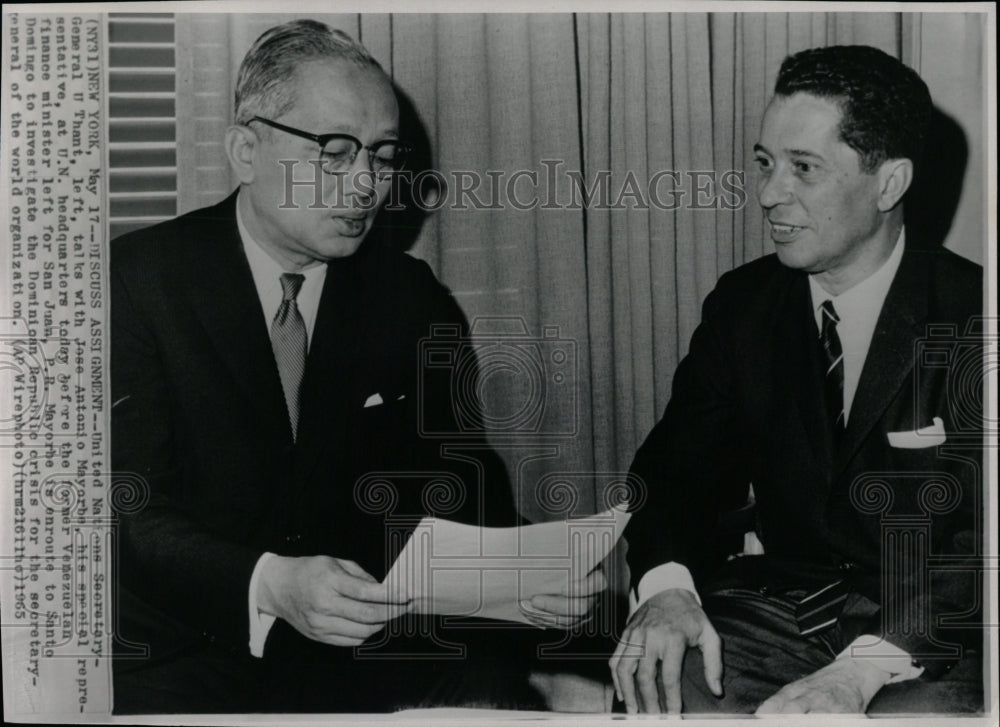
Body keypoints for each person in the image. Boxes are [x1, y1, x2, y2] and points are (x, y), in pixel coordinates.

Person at [110, 20, 600, 713]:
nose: (367, 183)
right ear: (246, 150)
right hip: (189, 646)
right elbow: (124, 509)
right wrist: (268, 583)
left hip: (357, 645)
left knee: (488, 678)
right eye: (335, 152)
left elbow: (459, 474)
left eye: (383, 155)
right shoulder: (135, 283)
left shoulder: (409, 297)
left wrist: (516, 571)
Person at [610, 45, 984, 715]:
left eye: (802, 169)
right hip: (781, 610)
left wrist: (860, 670)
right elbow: (673, 470)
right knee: (660, 681)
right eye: (765, 163)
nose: (767, 193)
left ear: (889, 183)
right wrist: (667, 588)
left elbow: (980, 545)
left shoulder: (974, 317)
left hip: (933, 632)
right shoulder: (744, 305)